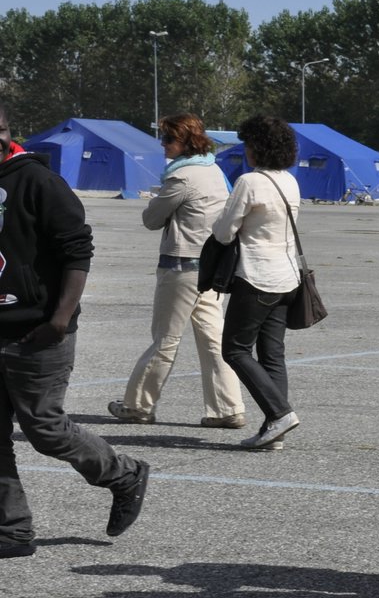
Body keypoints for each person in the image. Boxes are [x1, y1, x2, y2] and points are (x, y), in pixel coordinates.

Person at [0, 102, 150, 557]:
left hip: (38, 331)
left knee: (44, 426)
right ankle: (13, 530)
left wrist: (59, 320)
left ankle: (123, 474)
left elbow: (77, 252)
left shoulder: (39, 182)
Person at [108, 113, 246, 429]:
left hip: (182, 267)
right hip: (212, 268)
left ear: (186, 141)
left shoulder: (181, 177)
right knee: (214, 340)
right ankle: (228, 409)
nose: (163, 144)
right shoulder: (213, 170)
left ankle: (138, 406)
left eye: (169, 139)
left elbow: (151, 219)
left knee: (165, 340)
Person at [212, 115, 303, 451]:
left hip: (256, 277)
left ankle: (280, 413)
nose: (245, 150)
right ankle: (273, 428)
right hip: (287, 276)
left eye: (248, 143)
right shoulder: (290, 182)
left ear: (257, 147)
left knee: (234, 349)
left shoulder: (249, 182)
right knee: (272, 354)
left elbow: (224, 232)